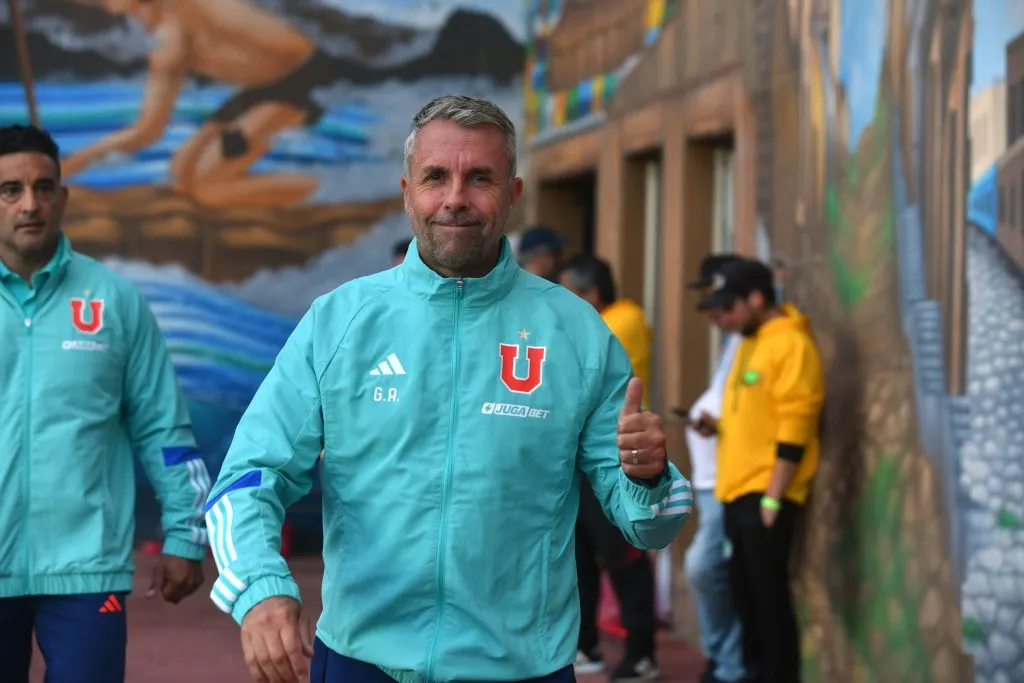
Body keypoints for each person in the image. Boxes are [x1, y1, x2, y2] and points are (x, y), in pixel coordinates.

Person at [204, 94, 693, 683]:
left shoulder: (575, 332)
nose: (455, 198)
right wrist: (258, 588)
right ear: (407, 190)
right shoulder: (340, 322)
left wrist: (645, 478)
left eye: (479, 178)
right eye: (436, 177)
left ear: (512, 195)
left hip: (522, 669)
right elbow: (248, 477)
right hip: (363, 663)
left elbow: (652, 524)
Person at [0, 124, 209, 682]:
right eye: (10, 190)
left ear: (63, 198)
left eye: (44, 188)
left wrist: (188, 534)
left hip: (86, 570)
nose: (29, 204)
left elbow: (163, 428)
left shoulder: (113, 300)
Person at [62, 0, 331, 209]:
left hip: (307, 82)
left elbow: (146, 132)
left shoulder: (177, 24)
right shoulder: (165, 39)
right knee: (181, 174)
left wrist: (70, 166)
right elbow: (148, 130)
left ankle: (328, 192)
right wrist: (68, 167)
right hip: (260, 90)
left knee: (207, 188)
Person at [693, 259, 824, 683]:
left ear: (756, 299)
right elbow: (755, 417)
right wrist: (716, 425)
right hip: (736, 491)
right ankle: (752, 673)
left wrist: (773, 497)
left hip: (766, 494)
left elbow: (795, 426)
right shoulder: (751, 341)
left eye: (729, 307)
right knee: (745, 598)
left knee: (769, 601)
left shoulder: (790, 343)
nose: (723, 318)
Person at [560, 253, 660, 681]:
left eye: (567, 293)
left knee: (624, 557)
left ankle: (642, 652)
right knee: (580, 556)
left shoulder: (623, 319)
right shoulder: (593, 322)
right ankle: (586, 644)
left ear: (592, 294)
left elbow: (571, 369)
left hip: (617, 459)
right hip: (582, 459)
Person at [681, 254, 747, 683]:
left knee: (705, 568)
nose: (711, 309)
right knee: (713, 571)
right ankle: (722, 660)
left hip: (730, 478)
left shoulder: (751, 340)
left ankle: (729, 666)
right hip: (709, 479)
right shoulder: (730, 342)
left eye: (717, 298)